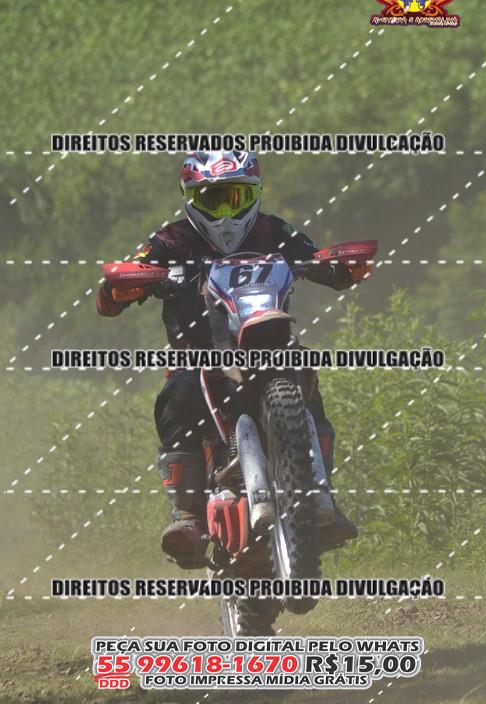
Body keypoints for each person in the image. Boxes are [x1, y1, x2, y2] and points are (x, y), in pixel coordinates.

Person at [97, 151, 365, 568]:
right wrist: (124, 286)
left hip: (268, 343)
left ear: (254, 195)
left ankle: (321, 492)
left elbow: (318, 258)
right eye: (213, 200)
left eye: (236, 198)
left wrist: (339, 267)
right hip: (199, 356)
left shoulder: (273, 230)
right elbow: (120, 285)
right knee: (178, 393)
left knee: (305, 374)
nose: (226, 213)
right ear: (191, 199)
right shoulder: (172, 240)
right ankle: (186, 516)